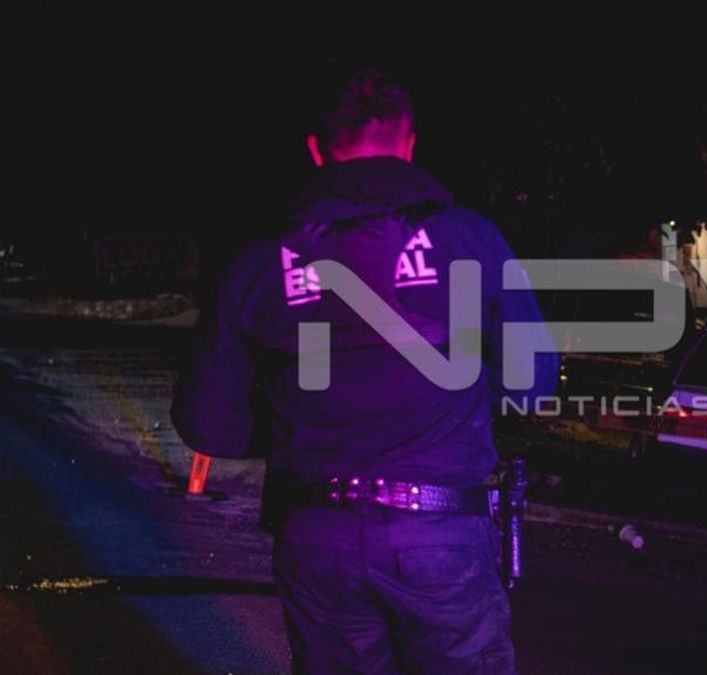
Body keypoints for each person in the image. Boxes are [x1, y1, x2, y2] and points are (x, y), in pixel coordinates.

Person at [172, 67, 557, 674]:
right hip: (440, 531)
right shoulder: (470, 240)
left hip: (316, 532)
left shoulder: (258, 263)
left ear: (316, 150)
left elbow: (207, 424)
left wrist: (302, 431)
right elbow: (531, 381)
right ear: (410, 144)